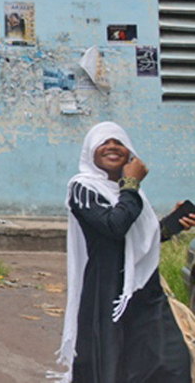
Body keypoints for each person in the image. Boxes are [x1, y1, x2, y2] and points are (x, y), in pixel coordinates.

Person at [56, 121, 194, 382]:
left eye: (118, 142)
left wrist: (173, 224)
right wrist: (131, 184)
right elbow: (114, 227)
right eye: (103, 142)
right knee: (112, 368)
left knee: (172, 364)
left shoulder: (131, 193)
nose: (112, 147)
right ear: (90, 152)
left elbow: (139, 240)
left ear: (129, 150)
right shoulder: (83, 188)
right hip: (108, 292)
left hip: (144, 291)